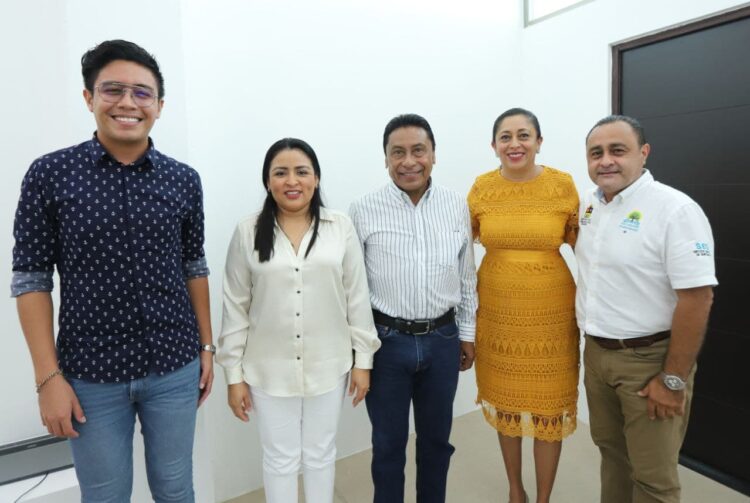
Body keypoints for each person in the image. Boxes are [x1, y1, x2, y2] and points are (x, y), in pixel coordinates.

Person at [11, 40, 214, 502]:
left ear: (159, 106)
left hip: (174, 366)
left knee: (177, 488)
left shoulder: (183, 179)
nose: (128, 103)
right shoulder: (50, 174)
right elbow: (31, 279)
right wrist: (48, 379)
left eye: (142, 93)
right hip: (90, 376)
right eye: (113, 90)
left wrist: (206, 347)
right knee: (104, 496)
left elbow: (194, 266)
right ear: (89, 98)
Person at [217, 138, 380, 503]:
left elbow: (356, 297)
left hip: (329, 365)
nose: (292, 181)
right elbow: (235, 307)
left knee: (321, 454)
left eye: (302, 172)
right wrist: (233, 376)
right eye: (281, 173)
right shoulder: (247, 231)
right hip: (267, 369)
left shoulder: (339, 227)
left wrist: (363, 362)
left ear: (316, 178)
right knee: (280, 459)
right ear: (268, 181)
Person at [577, 115, 716, 503]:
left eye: (617, 150)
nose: (606, 160)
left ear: (644, 153)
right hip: (598, 356)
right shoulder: (588, 206)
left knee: (653, 478)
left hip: (650, 361)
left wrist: (673, 379)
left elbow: (698, 298)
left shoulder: (676, 210)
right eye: (596, 153)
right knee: (613, 457)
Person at [349, 113, 478, 503]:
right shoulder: (363, 209)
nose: (409, 162)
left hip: (443, 339)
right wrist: (359, 351)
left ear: (433, 154)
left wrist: (467, 334)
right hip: (386, 343)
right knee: (388, 445)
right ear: (386, 158)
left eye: (418, 150)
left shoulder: (456, 205)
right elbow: (353, 289)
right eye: (398, 152)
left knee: (437, 442)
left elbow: (466, 274)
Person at [467, 108, 580, 503]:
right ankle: (516, 491)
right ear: (494, 145)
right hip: (497, 314)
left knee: (549, 411)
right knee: (507, 407)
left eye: (524, 135)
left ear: (539, 142)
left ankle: (543, 498)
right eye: (506, 137)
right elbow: (463, 246)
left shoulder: (562, 185)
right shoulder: (482, 188)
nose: (514, 144)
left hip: (552, 317)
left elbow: (583, 244)